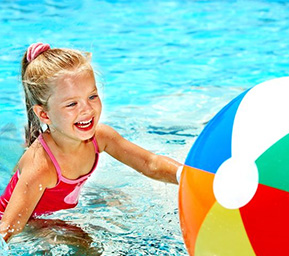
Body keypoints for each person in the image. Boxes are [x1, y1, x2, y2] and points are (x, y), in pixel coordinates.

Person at [0, 43, 183, 243]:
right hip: (29, 222)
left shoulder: (100, 137)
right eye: (72, 104)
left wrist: (187, 176)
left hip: (55, 212)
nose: (87, 110)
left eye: (92, 96)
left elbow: (150, 163)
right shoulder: (42, 166)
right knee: (83, 241)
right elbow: (8, 229)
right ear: (45, 114)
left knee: (118, 201)